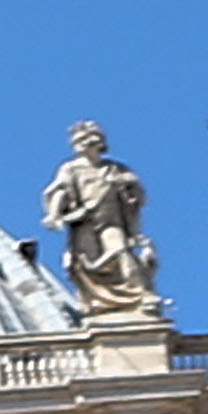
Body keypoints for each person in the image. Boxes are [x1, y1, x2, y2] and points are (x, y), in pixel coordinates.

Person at [44, 120, 157, 317]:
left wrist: (127, 183)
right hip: (85, 220)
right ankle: (98, 300)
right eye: (78, 141)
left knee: (121, 252)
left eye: (86, 139)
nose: (82, 144)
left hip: (111, 221)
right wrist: (54, 215)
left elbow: (138, 195)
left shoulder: (116, 168)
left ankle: (140, 293)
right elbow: (60, 191)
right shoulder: (71, 169)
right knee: (86, 260)